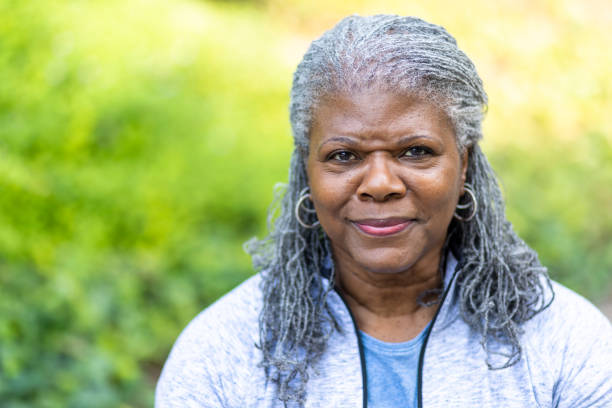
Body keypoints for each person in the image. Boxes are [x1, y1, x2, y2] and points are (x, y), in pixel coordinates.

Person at [155, 15, 612, 407]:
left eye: (415, 151)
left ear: (464, 162)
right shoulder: (220, 354)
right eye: (344, 156)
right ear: (306, 170)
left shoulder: (566, 344)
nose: (379, 184)